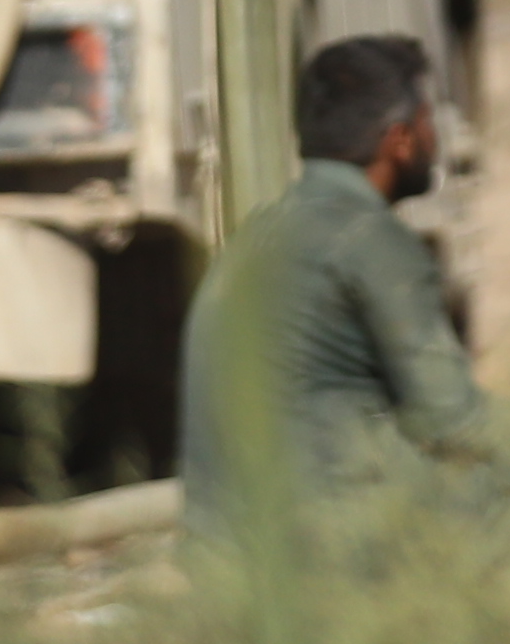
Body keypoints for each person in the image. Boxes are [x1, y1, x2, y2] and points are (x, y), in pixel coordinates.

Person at [175, 32, 486, 547]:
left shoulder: (257, 234)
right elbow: (455, 422)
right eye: (430, 122)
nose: (435, 140)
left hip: (221, 560)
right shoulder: (369, 239)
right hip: (320, 559)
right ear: (400, 139)